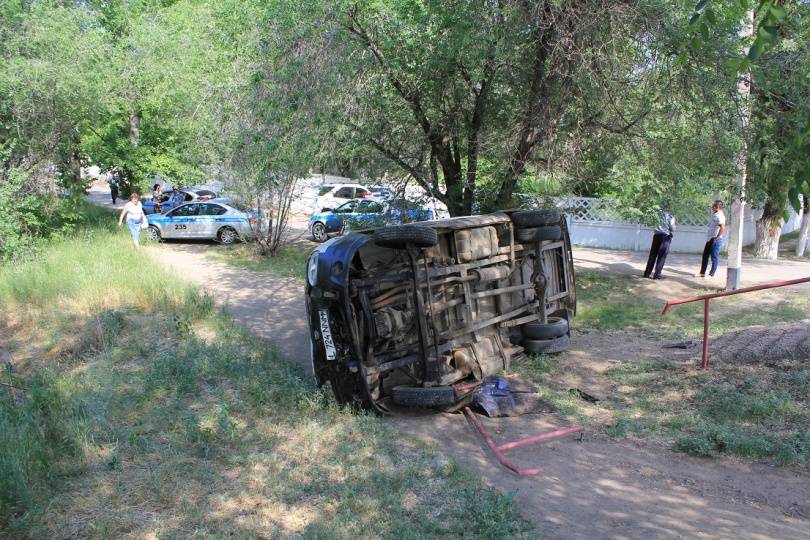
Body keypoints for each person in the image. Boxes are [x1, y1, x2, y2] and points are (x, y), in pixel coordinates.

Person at [644, 207, 676, 279]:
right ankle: (657, 275)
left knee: (652, 255)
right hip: (665, 236)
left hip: (656, 235)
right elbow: (672, 228)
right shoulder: (670, 216)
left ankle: (647, 273)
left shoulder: (657, 214)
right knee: (662, 256)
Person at [697, 200, 726, 278]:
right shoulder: (715, 214)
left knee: (714, 257)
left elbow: (722, 227)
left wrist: (717, 237)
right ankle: (702, 273)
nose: (712, 207)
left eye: (714, 206)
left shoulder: (720, 215)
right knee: (705, 255)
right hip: (710, 238)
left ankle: (712, 274)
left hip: (715, 239)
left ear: (717, 207)